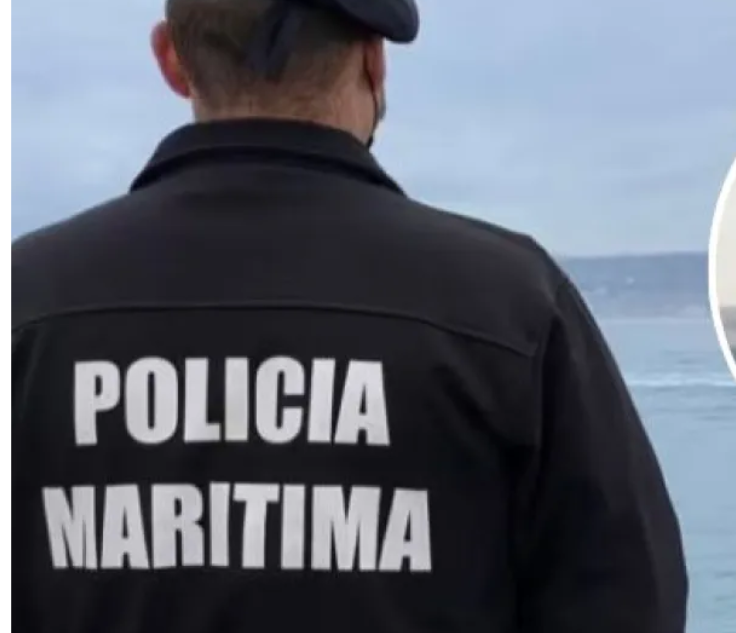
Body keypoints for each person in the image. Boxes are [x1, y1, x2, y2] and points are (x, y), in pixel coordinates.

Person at [11, 1, 688, 632]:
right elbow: (626, 597)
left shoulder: (25, 300)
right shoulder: (511, 302)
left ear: (170, 61)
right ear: (373, 61)